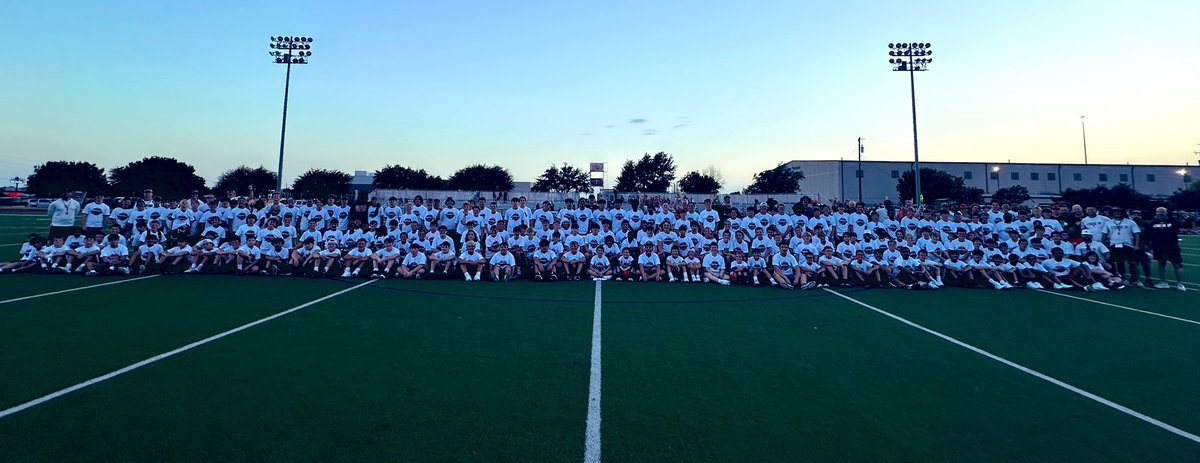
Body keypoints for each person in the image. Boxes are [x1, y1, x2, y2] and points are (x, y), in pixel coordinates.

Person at [1145, 207, 1185, 290]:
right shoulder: (1152, 223)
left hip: (1172, 247)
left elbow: (1185, 224)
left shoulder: (1173, 221)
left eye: (1162, 211)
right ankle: (1163, 282)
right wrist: (1147, 245)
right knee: (1161, 264)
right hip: (1159, 247)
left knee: (1177, 264)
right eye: (1158, 212)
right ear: (1156, 213)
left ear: (1166, 212)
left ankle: (1180, 284)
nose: (1160, 213)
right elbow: (1148, 235)